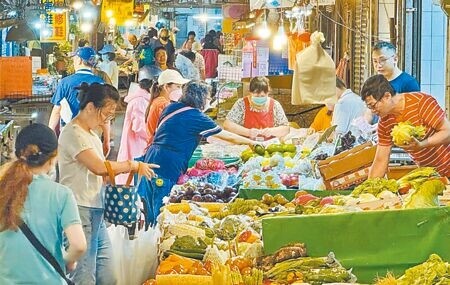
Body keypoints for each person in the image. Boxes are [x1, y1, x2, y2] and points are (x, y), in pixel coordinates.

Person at [58, 82, 158, 284]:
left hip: (96, 208)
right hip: (78, 210)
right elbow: (99, 167)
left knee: (108, 275)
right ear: (90, 107)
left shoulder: (91, 134)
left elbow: (101, 173)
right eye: (106, 114)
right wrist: (132, 165)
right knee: (84, 276)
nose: (107, 120)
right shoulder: (72, 133)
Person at [141, 81, 259, 225]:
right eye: (208, 98)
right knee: (161, 208)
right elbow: (226, 136)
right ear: (200, 97)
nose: (209, 101)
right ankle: (155, 238)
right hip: (167, 165)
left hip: (152, 157)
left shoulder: (172, 107)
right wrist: (253, 142)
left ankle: (149, 236)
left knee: (150, 205)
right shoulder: (195, 115)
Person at [0, 123, 86, 284]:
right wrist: (66, 260)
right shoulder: (61, 194)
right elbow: (79, 245)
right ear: (54, 157)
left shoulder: (2, 190)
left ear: (17, 154)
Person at [361, 74, 450, 178]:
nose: (373, 111)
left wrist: (422, 144)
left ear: (387, 96)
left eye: (373, 105)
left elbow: (447, 132)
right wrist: (369, 188)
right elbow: (381, 160)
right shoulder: (385, 123)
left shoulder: (421, 102)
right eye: (369, 107)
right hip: (431, 175)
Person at [48, 46, 112, 156]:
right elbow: (105, 115)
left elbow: (56, 111)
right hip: (93, 131)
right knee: (92, 167)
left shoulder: (65, 82)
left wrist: (49, 133)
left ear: (79, 60)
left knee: (70, 167)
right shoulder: (101, 83)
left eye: (74, 59)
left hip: (70, 131)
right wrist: (107, 140)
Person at [224, 76, 290, 141]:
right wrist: (248, 132)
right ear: (250, 92)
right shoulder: (241, 104)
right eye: (256, 96)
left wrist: (272, 131)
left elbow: (286, 129)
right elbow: (227, 125)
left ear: (268, 93)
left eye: (262, 96)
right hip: (245, 144)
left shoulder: (275, 105)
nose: (259, 98)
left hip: (269, 146)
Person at [116, 79, 152, 184]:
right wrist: (155, 135)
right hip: (136, 145)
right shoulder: (139, 101)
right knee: (133, 181)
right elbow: (139, 127)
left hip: (138, 145)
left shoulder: (142, 99)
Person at [145, 69, 189, 145]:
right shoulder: (162, 104)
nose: (180, 90)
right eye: (178, 86)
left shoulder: (159, 101)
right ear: (166, 87)